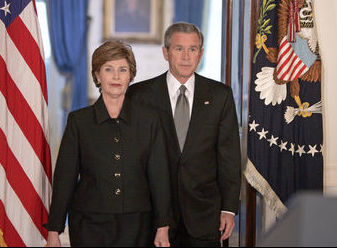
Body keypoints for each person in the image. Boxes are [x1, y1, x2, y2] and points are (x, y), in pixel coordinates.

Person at [44, 40, 172, 247]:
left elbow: (160, 177)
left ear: (130, 75)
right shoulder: (79, 121)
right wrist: (54, 230)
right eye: (108, 69)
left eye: (123, 69)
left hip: (138, 224)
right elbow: (65, 178)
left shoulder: (150, 120)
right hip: (89, 224)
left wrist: (163, 227)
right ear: (97, 75)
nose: (116, 76)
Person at [127, 22, 242, 247]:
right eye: (179, 48)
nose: (186, 56)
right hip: (155, 216)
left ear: (201, 54)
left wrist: (229, 208)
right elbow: (133, 160)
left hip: (205, 215)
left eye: (193, 49)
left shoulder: (220, 95)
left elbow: (229, 156)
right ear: (166, 52)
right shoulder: (139, 95)